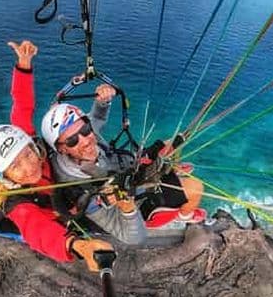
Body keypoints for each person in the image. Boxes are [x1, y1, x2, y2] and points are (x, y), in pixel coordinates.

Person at [0, 40, 113, 272]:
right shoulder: (16, 203)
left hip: (49, 193)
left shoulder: (29, 143)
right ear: (7, 176)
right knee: (40, 228)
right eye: (16, 166)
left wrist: (24, 66)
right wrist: (79, 247)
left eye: (27, 154)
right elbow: (38, 231)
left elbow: (22, 107)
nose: (30, 166)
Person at [41, 93, 205, 231]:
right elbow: (94, 206)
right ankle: (183, 217)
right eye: (72, 141)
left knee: (170, 144)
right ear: (61, 149)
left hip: (127, 168)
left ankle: (167, 170)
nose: (85, 140)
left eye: (85, 130)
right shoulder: (73, 182)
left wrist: (102, 101)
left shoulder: (88, 139)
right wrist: (151, 176)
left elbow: (96, 117)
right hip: (129, 203)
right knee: (196, 188)